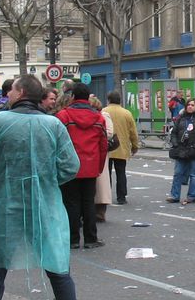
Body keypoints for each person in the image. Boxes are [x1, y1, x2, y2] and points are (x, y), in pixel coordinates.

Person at [0, 74, 100, 300]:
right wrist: (46, 181)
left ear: (20, 92)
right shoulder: (52, 125)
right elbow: (69, 165)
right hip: (43, 203)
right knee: (57, 265)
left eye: (11, 90)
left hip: (2, 203)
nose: (8, 95)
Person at [57, 82, 109, 249]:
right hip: (90, 165)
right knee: (88, 202)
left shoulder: (63, 116)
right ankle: (90, 238)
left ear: (72, 96)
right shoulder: (99, 118)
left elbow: (57, 143)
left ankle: (72, 239)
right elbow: (103, 145)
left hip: (69, 166)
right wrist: (99, 167)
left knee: (70, 203)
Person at [167, 97, 195, 205]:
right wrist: (175, 144)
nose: (190, 107)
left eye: (192, 105)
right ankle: (175, 195)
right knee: (178, 173)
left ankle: (191, 196)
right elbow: (174, 132)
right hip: (181, 149)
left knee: (194, 175)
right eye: (188, 105)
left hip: (194, 150)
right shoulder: (181, 117)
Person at [103, 90, 140, 205]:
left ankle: (106, 196)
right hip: (121, 148)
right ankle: (121, 197)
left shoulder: (103, 112)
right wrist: (135, 146)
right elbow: (133, 132)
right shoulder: (127, 113)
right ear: (120, 100)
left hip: (107, 148)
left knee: (106, 174)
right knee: (121, 173)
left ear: (108, 100)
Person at [89, 94, 115, 222]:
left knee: (101, 184)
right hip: (92, 152)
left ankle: (100, 211)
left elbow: (109, 132)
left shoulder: (103, 115)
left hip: (100, 151)